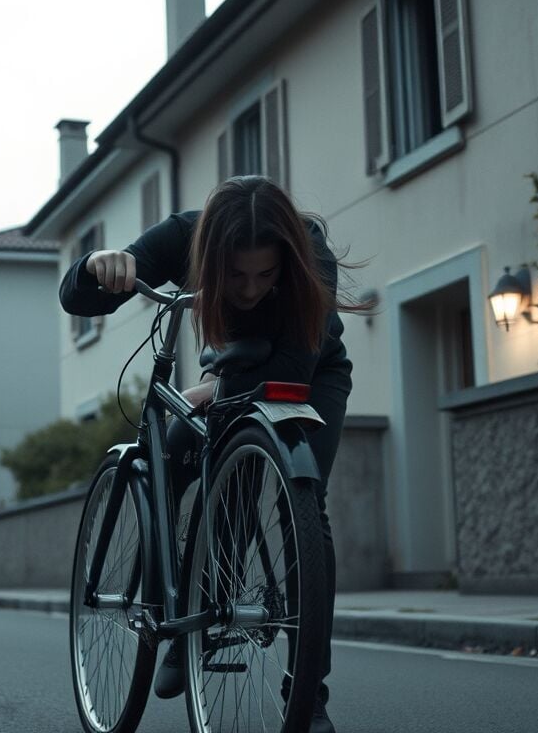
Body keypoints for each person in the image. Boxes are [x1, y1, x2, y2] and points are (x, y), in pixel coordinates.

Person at [59, 175, 358, 733]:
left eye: (265, 276)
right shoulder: (183, 238)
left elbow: (294, 364)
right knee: (170, 459)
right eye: (234, 276)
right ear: (210, 254)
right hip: (227, 373)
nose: (247, 290)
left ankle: (308, 694)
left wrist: (215, 394)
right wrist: (98, 265)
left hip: (309, 377)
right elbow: (79, 298)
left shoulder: (307, 246)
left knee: (298, 500)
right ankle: (180, 616)